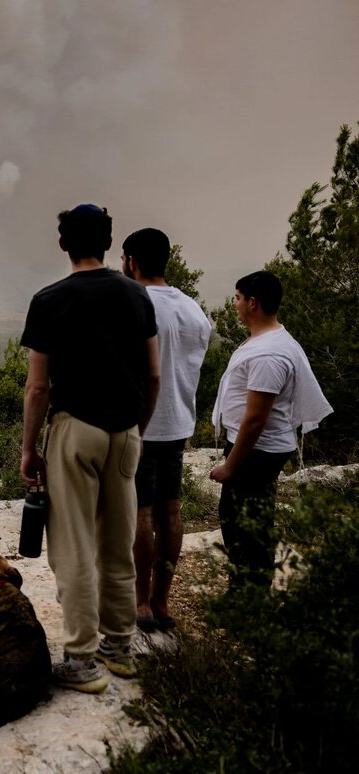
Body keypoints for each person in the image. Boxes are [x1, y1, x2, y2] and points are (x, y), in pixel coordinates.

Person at [20, 204, 160, 694]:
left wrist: (28, 449)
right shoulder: (137, 296)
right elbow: (154, 374)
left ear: (63, 244)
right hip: (125, 432)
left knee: (74, 545)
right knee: (117, 542)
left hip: (74, 429)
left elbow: (38, 388)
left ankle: (81, 659)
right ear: (108, 243)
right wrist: (137, 427)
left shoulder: (49, 300)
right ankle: (120, 647)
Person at [209, 270, 332, 589]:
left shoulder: (269, 353)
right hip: (261, 448)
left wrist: (230, 465)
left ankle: (247, 597)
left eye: (237, 298)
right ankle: (250, 593)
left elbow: (256, 418)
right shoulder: (269, 340)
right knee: (250, 521)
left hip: (256, 451)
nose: (234, 304)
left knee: (242, 525)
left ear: (252, 303)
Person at [121, 229, 212, 633]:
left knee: (140, 513)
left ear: (131, 261)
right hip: (178, 422)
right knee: (171, 512)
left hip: (140, 423)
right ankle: (162, 599)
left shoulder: (132, 303)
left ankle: (140, 601)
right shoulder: (193, 310)